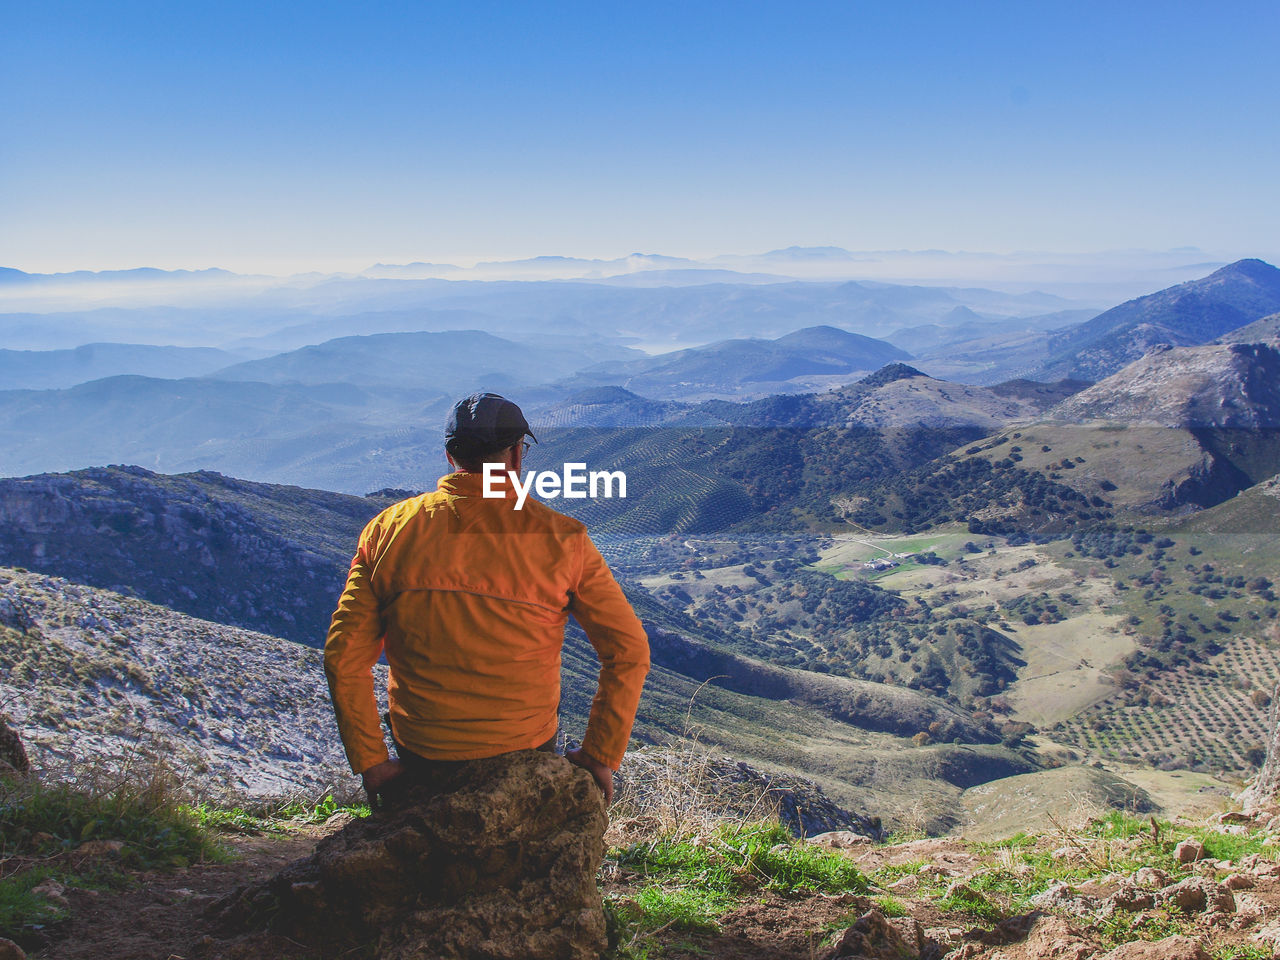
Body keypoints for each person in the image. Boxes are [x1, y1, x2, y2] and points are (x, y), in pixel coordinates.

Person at [324, 391, 650, 807]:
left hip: (423, 753)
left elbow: (342, 657)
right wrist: (600, 757)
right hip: (525, 750)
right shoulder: (564, 539)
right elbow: (629, 651)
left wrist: (372, 761)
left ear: (449, 455)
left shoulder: (387, 530)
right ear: (516, 455)